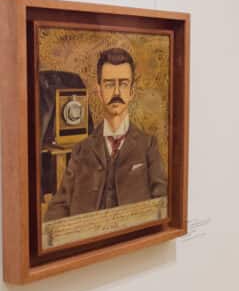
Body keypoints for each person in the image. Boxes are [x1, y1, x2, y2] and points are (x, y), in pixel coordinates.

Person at [45, 48, 167, 221]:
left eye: (123, 84)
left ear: (131, 91)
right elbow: (59, 207)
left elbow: (163, 202)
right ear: (100, 92)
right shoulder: (81, 150)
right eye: (109, 84)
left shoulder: (148, 145)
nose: (116, 92)